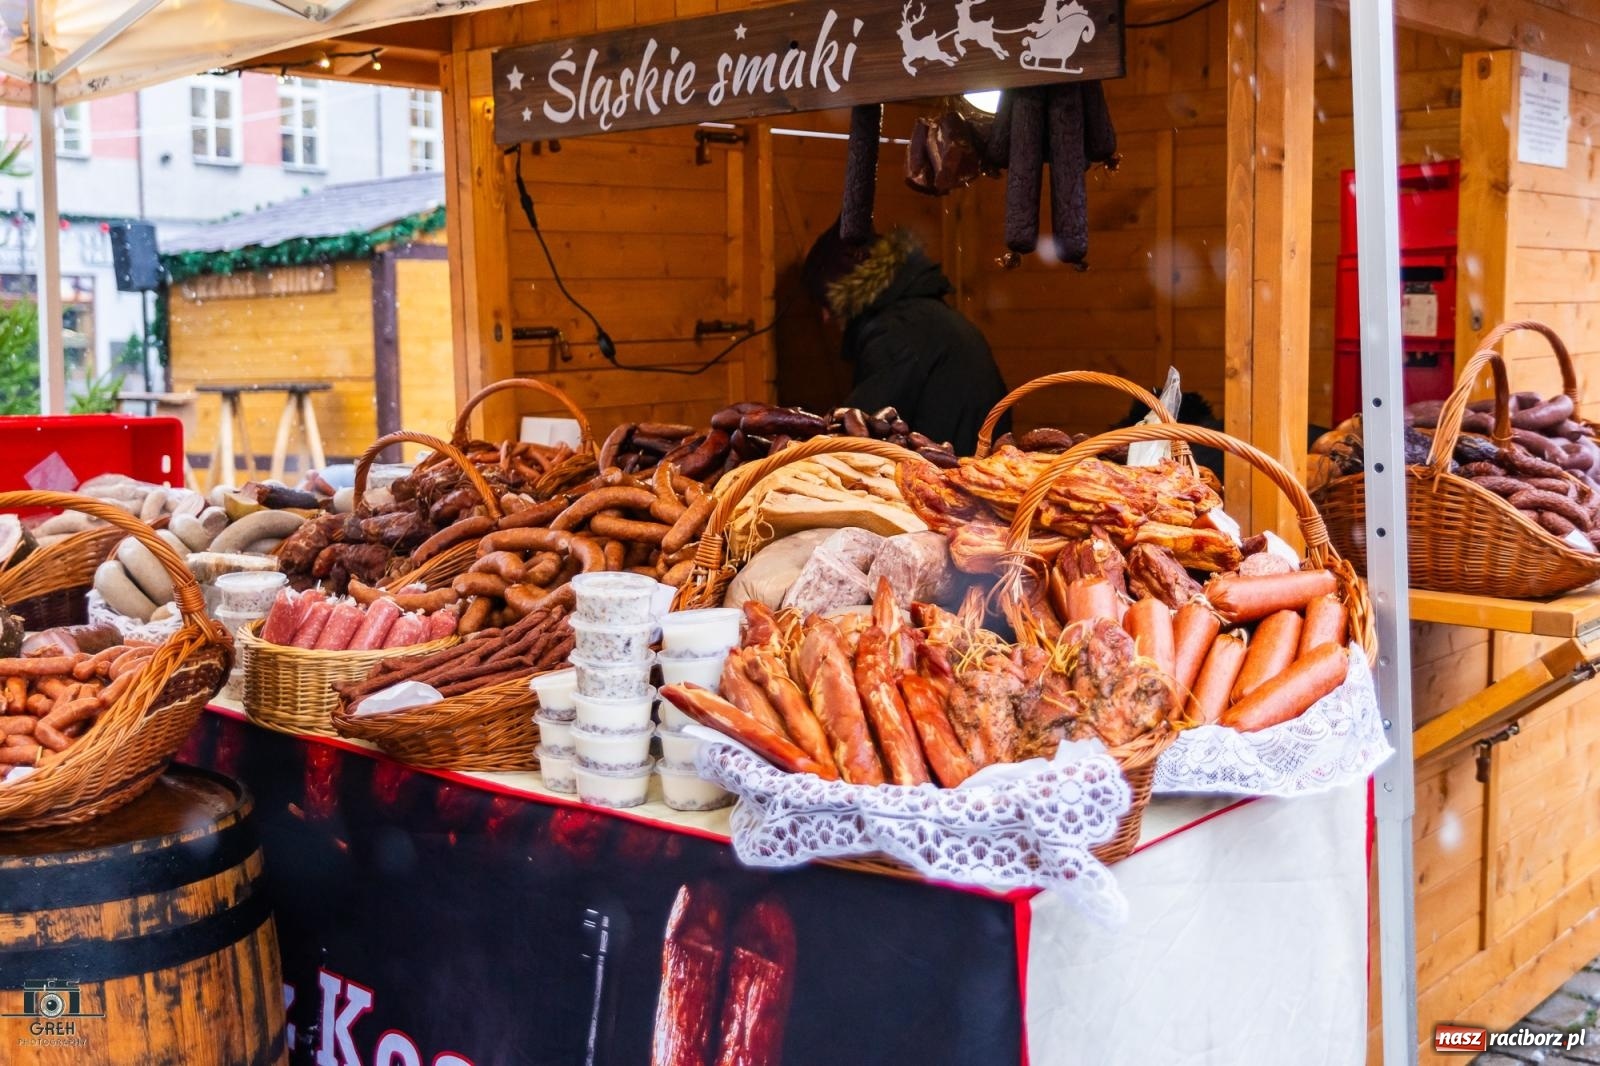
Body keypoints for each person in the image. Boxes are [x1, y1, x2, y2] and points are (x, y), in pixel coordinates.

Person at [802, 219, 1010, 455]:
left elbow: (857, 435)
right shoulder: (924, 317)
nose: (825, 318)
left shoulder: (896, 332)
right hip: (971, 465)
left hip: (944, 477)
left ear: (844, 291)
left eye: (826, 302)